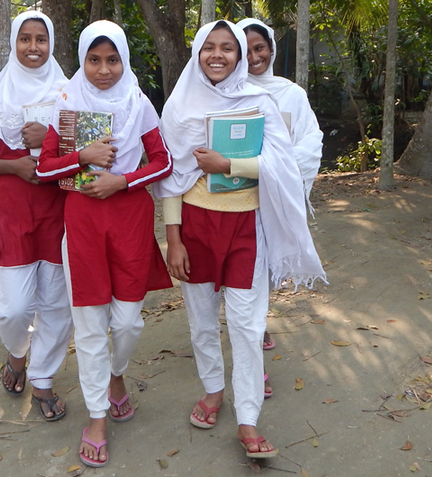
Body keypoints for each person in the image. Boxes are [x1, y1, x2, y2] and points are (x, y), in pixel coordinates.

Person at [153, 20, 326, 459]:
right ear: (196, 52)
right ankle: (213, 391)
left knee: (248, 327)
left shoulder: (259, 101)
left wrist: (229, 163)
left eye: (227, 48)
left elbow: (283, 164)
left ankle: (248, 418)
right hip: (194, 227)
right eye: (209, 46)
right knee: (202, 320)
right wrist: (173, 240)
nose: (217, 55)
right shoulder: (177, 107)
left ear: (240, 56)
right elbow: (171, 179)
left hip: (247, 228)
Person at [36, 20, 173, 468]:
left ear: (124, 60)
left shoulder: (139, 102)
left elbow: (162, 161)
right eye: (94, 60)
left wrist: (121, 181)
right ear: (82, 60)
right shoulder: (67, 102)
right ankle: (97, 417)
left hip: (130, 219)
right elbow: (45, 169)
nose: (103, 69)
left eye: (112, 59)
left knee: (129, 322)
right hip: (83, 225)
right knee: (92, 324)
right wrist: (83, 157)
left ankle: (117, 376)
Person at [0, 10, 72, 421]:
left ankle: (43, 380)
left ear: (51, 45)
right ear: (14, 43)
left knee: (55, 302)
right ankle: (17, 353)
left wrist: (50, 138)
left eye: (40, 39)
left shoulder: (69, 91)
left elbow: (91, 146)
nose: (33, 47)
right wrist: (13, 166)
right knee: (12, 307)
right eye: (25, 39)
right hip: (12, 209)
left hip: (59, 207)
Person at [236, 18, 325, 395]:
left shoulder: (292, 94)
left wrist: (275, 170)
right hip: (238, 199)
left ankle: (259, 323)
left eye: (260, 48)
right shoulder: (229, 91)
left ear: (271, 48)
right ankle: (253, 355)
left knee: (267, 270)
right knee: (247, 275)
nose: (255, 57)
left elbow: (312, 142)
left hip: (278, 198)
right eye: (247, 50)